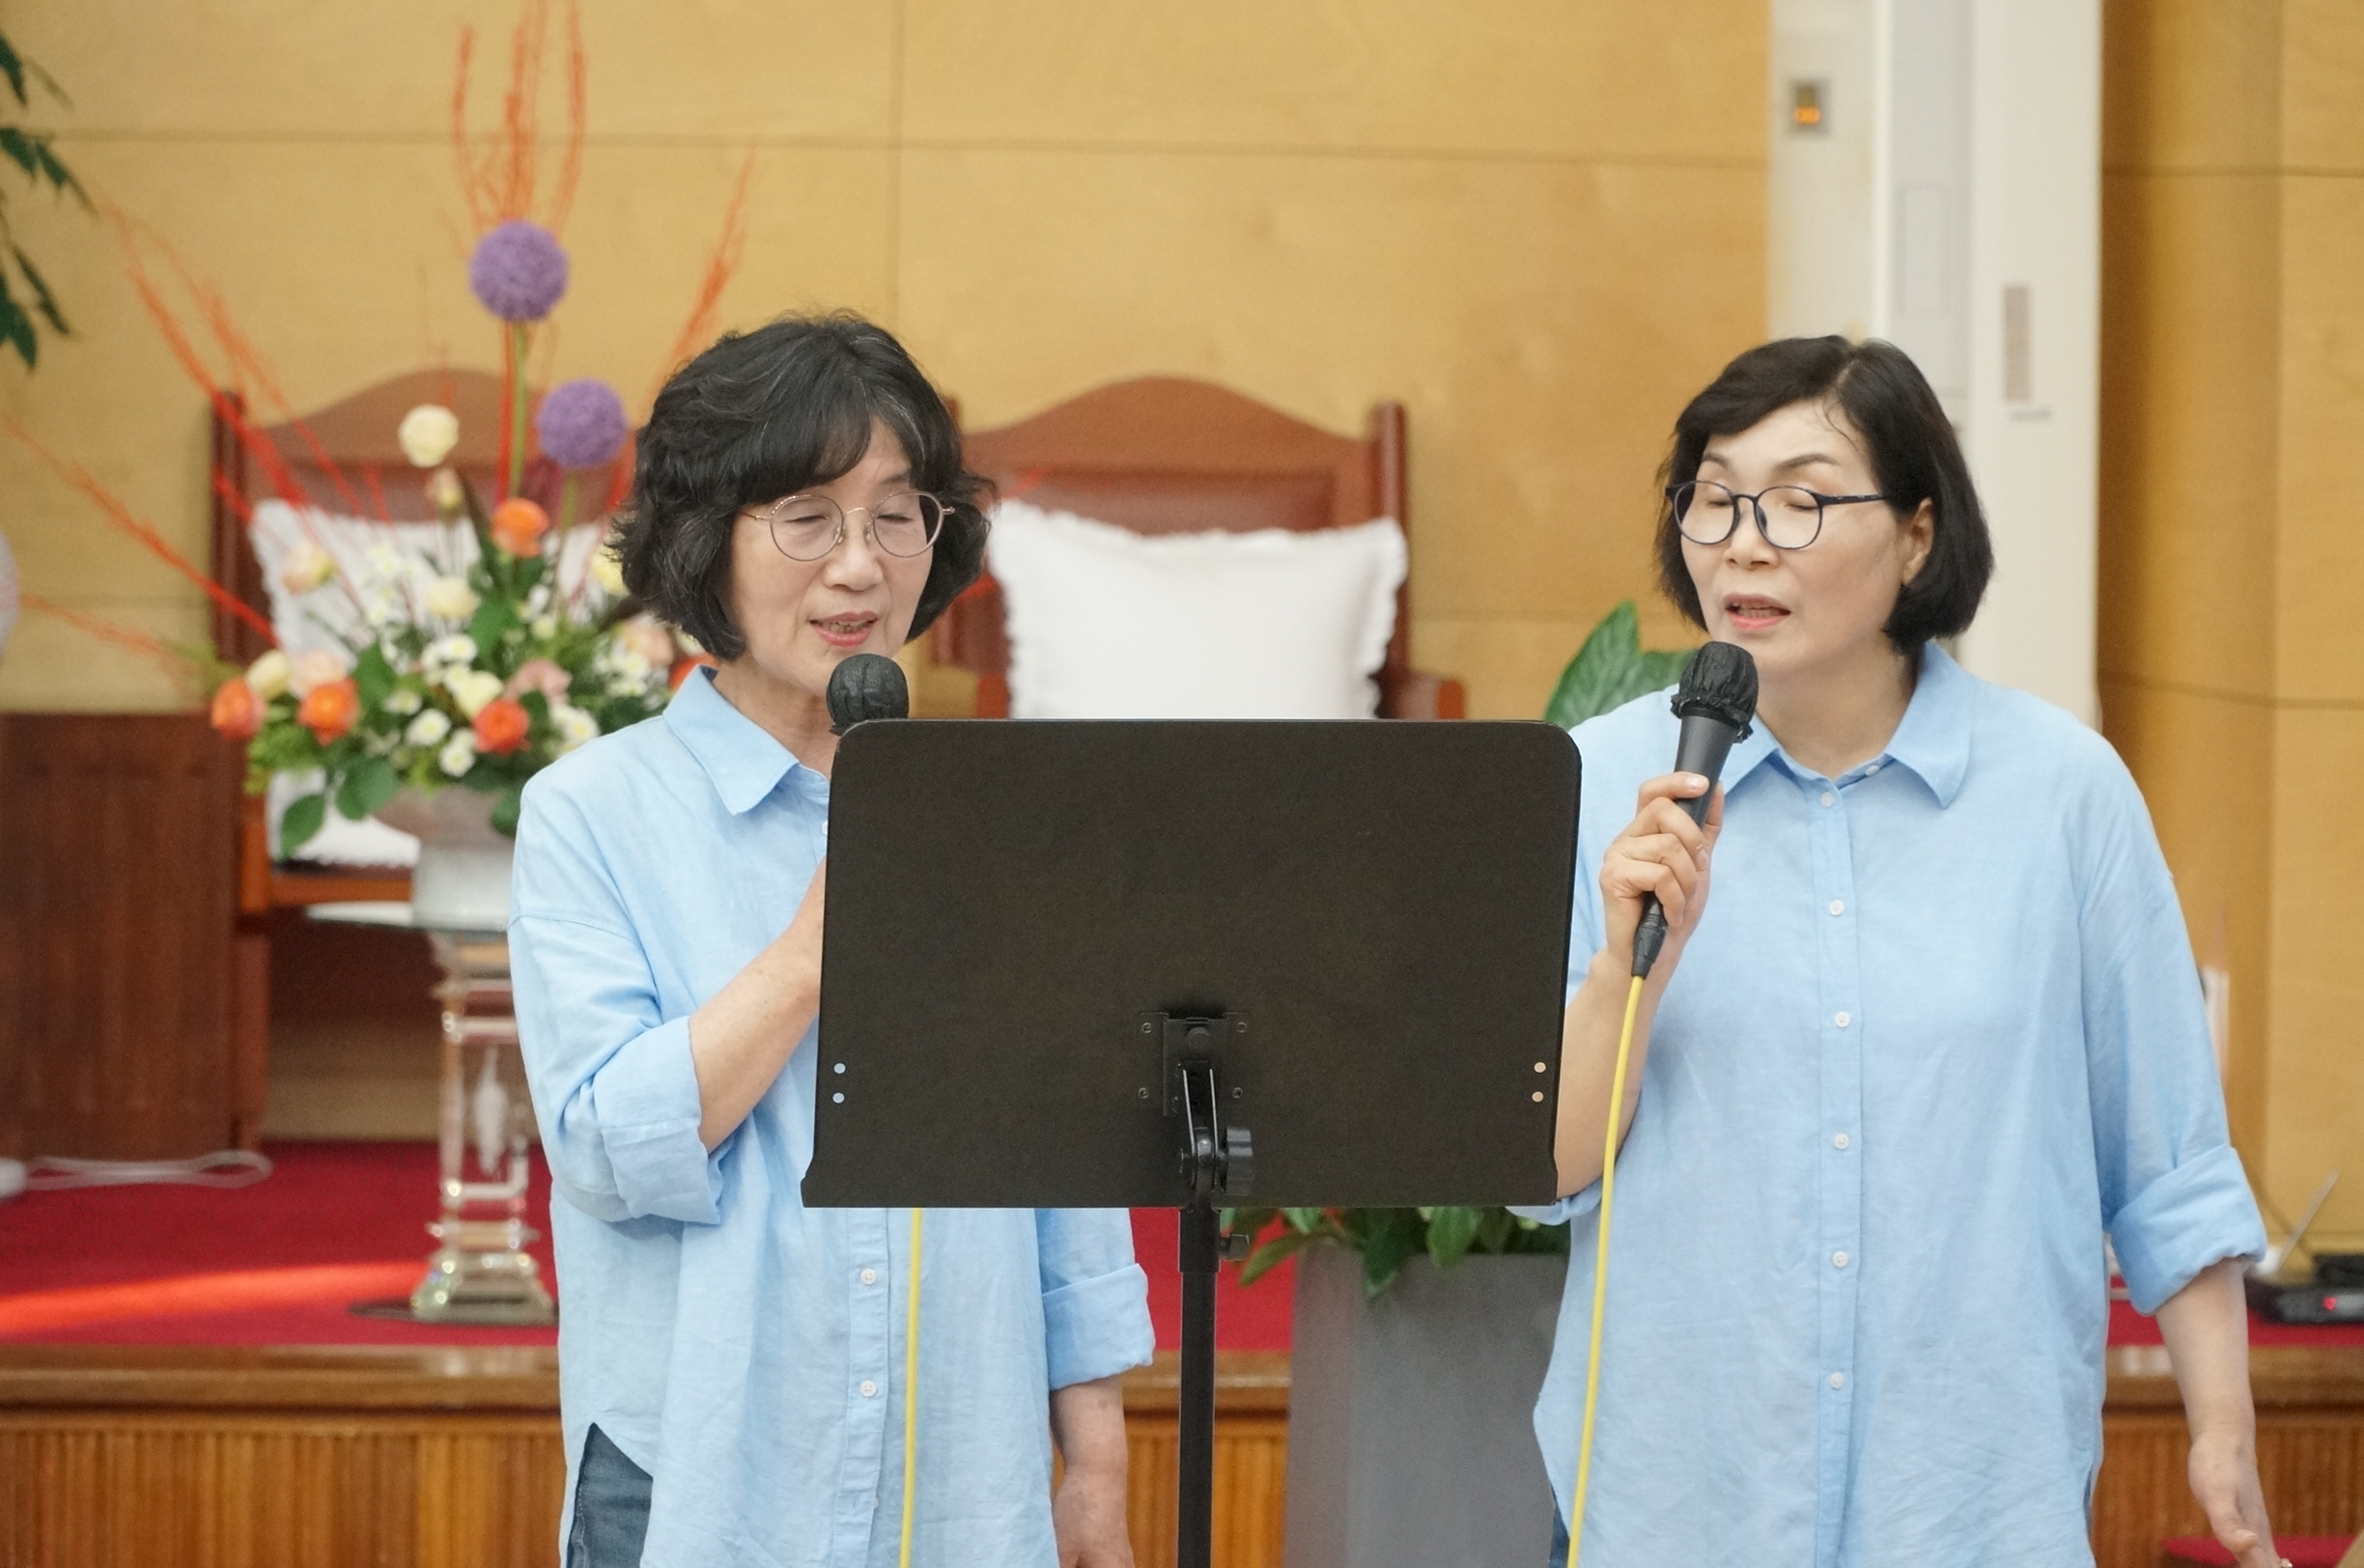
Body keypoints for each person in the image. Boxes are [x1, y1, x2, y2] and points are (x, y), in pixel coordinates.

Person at [1531, 337, 2278, 1567]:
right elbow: (1546, 1168)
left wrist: (2223, 1426)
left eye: (1800, 501)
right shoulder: (1608, 781)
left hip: (1969, 1502)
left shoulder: (2063, 793)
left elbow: (2169, 1158)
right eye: (1713, 499)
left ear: (1919, 536)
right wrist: (1630, 966)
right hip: (1676, 1498)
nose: (1744, 544)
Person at [511, 314, 1152, 1568]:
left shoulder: (1007, 828)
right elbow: (604, 1149)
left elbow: (1065, 1176)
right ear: (707, 536)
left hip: (959, 1485)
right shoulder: (593, 813)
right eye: (808, 518)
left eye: (897, 516)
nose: (860, 567)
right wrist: (814, 950)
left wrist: (1098, 1466)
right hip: (698, 1483)